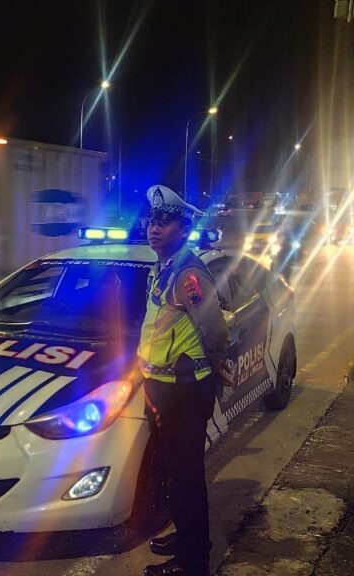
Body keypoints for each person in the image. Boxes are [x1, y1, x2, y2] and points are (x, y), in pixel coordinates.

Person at [137, 185, 232, 576]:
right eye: (152, 220)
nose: (155, 228)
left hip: (185, 391)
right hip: (163, 388)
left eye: (165, 221)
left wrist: (218, 365)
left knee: (186, 478)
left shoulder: (188, 273)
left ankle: (193, 562)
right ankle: (185, 536)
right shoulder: (164, 266)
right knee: (173, 472)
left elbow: (214, 328)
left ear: (183, 228)